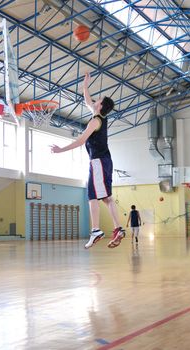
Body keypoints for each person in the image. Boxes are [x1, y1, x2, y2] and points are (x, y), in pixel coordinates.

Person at [50, 72, 125, 249]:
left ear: (100, 106)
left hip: (98, 162)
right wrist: (85, 85)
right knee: (106, 198)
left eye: (97, 100)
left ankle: (96, 230)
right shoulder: (100, 117)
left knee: (92, 196)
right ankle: (118, 229)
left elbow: (81, 141)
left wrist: (61, 150)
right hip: (104, 161)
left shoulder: (94, 122)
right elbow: (87, 101)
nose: (95, 101)